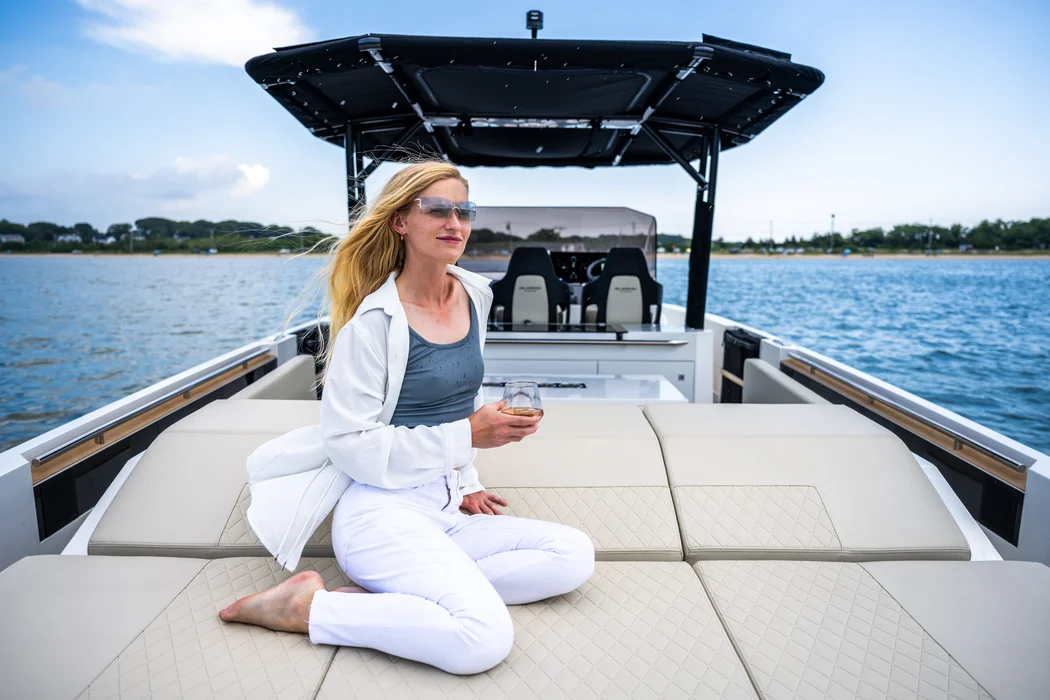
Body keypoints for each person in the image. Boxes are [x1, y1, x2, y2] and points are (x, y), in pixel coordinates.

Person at [218, 160, 595, 675]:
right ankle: (307, 608)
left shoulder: (474, 294)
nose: (454, 223)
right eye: (437, 210)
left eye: (464, 211)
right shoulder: (372, 324)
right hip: (381, 514)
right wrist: (468, 436)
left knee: (573, 554)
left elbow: (462, 394)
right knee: (482, 639)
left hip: (446, 508)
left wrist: (467, 480)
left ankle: (409, 593)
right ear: (400, 221)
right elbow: (351, 445)